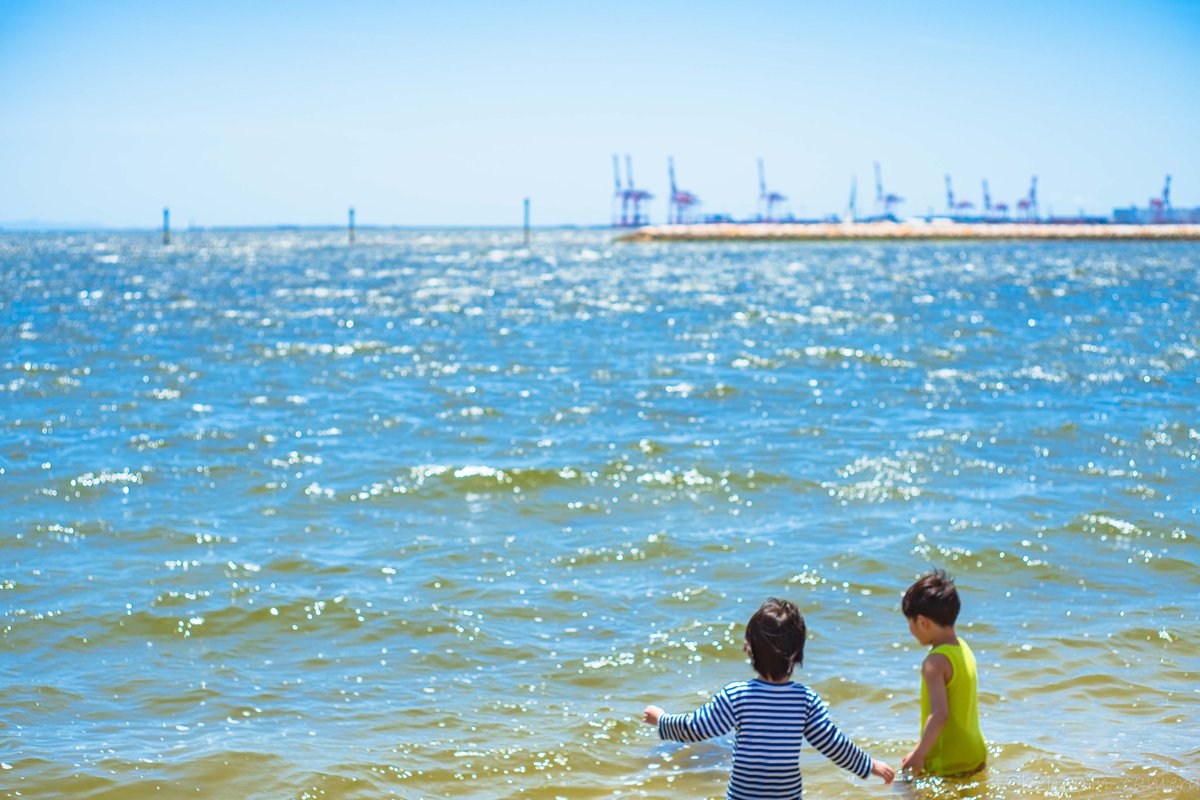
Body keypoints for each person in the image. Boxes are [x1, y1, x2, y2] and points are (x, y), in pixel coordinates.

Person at [642, 598, 895, 799]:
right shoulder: (805, 700)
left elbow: (696, 728)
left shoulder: (736, 695)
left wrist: (662, 720)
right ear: (797, 653)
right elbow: (833, 744)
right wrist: (869, 764)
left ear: (749, 648)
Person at [900, 569, 987, 776]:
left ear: (922, 622)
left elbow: (939, 714)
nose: (910, 630)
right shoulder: (963, 648)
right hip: (975, 752)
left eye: (909, 623)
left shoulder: (934, 662)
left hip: (947, 759)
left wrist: (919, 753)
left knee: (902, 791)